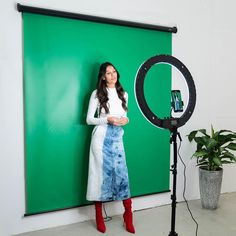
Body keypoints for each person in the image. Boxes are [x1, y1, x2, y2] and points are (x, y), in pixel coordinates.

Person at [86, 62, 135, 234]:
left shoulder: (124, 94)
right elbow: (89, 119)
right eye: (108, 73)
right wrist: (107, 119)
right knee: (100, 177)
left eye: (114, 71)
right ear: (103, 76)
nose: (113, 75)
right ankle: (99, 215)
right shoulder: (97, 94)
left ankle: (128, 214)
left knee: (122, 176)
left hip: (117, 139)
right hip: (100, 140)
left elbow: (124, 116)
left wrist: (125, 120)